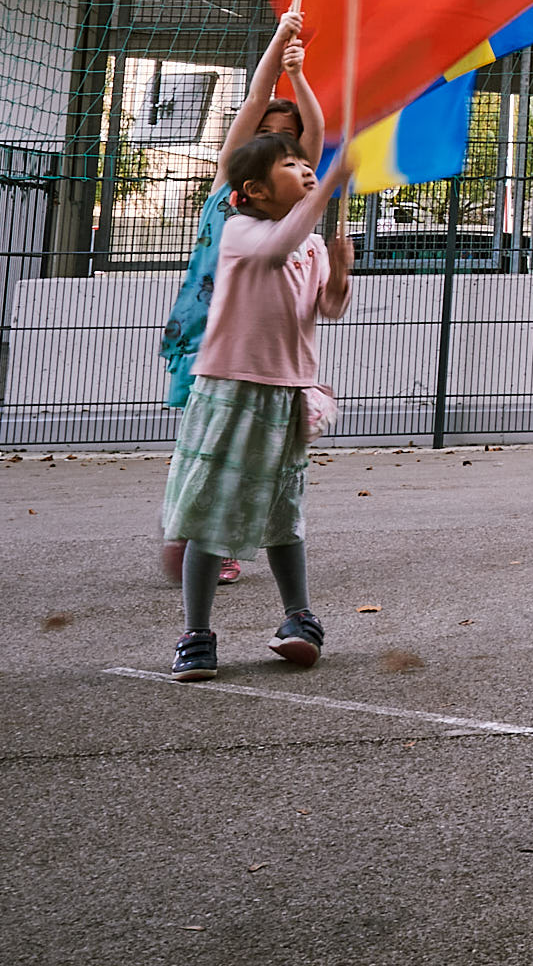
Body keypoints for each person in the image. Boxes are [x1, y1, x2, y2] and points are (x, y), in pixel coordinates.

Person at [163, 131, 354, 681]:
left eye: (307, 162)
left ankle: (299, 618)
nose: (307, 169)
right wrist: (329, 189)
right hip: (230, 390)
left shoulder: (312, 244)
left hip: (288, 392)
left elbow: (328, 307)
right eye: (291, 164)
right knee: (210, 511)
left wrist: (339, 269)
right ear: (254, 190)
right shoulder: (243, 231)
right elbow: (277, 249)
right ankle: (196, 633)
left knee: (282, 513)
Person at [158, 12, 322, 586]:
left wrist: (300, 80)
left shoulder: (290, 211)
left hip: (254, 339)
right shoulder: (228, 186)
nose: (269, 145)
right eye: (262, 136)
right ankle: (194, 528)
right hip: (203, 326)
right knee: (199, 435)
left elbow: (317, 140)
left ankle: (214, 535)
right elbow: (254, 94)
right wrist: (281, 40)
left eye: (285, 142)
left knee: (240, 445)